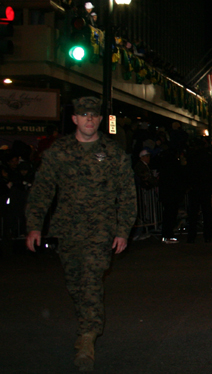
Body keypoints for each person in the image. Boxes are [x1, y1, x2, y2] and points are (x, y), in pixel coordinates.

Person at [25, 97, 137, 372]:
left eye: (94, 116)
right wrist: (34, 225)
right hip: (68, 230)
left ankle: (87, 336)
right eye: (84, 115)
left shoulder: (112, 153)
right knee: (75, 283)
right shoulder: (59, 151)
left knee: (90, 281)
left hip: (101, 232)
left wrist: (122, 230)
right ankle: (86, 325)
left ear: (100, 120)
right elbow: (43, 190)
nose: (90, 119)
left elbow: (127, 194)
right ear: (74, 119)